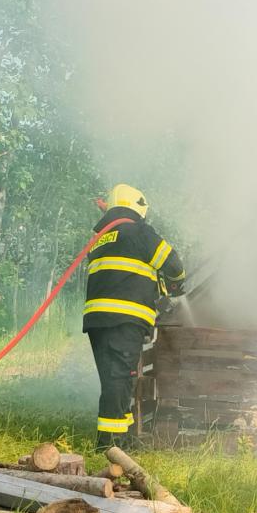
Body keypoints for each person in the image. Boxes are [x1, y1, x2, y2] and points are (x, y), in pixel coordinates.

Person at [83, 183, 186, 449]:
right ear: (137, 208)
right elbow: (174, 264)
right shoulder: (139, 232)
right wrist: (176, 283)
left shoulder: (101, 238)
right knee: (120, 379)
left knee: (115, 379)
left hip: (97, 320)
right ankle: (109, 445)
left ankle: (125, 437)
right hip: (124, 319)